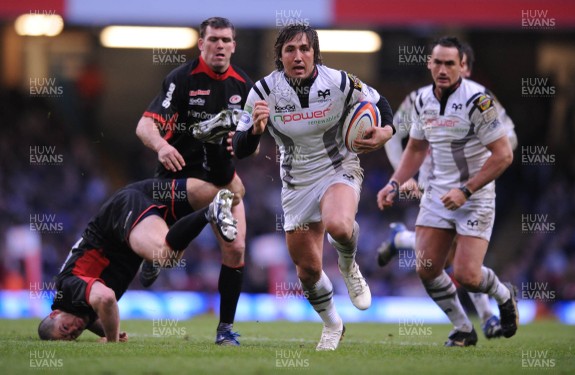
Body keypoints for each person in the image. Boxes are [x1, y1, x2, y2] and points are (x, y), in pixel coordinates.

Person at [232, 24, 394, 351]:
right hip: (295, 184)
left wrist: (386, 131)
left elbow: (381, 102)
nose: (298, 56)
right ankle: (333, 324)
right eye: (290, 50)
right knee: (307, 271)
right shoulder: (262, 92)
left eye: (305, 49)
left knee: (338, 225)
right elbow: (239, 146)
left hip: (338, 168)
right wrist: (255, 132)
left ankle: (349, 266)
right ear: (279, 55)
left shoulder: (338, 81)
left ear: (314, 53)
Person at [376, 36, 518, 347]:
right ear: (429, 64)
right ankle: (464, 329)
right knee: (427, 269)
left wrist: (466, 191)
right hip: (437, 193)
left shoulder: (479, 101)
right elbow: (414, 147)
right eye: (437, 62)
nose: (442, 69)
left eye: (449, 64)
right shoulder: (422, 100)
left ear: (462, 67)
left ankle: (504, 297)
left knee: (467, 274)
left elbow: (504, 154)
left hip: (475, 197)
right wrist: (395, 183)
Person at [135, 17, 253, 346]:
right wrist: (161, 146)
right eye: (213, 39)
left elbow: (249, 145)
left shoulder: (244, 85)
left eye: (226, 40)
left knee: (237, 247)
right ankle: (156, 257)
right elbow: (144, 126)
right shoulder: (182, 79)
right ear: (201, 44)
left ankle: (225, 329)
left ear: (234, 45)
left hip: (219, 176)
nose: (219, 46)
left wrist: (246, 142)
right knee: (169, 258)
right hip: (177, 177)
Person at [38, 178, 237, 341]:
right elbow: (90, 316)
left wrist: (112, 340)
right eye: (73, 335)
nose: (74, 329)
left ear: (55, 314)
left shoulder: (69, 287)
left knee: (166, 256)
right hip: (139, 198)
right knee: (235, 191)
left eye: (65, 328)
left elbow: (106, 299)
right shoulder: (77, 309)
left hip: (122, 212)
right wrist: (108, 331)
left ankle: (209, 212)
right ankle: (151, 256)